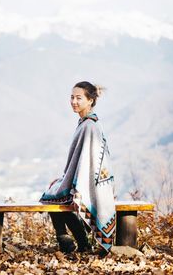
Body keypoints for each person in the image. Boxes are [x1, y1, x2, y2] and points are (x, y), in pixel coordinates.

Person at [40, 81, 115, 253]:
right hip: (86, 180)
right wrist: (64, 180)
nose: (74, 101)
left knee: (52, 198)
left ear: (90, 101)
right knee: (54, 193)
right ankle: (74, 241)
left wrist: (75, 187)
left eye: (78, 98)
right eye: (72, 97)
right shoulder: (86, 123)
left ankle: (70, 240)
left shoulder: (89, 125)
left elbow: (89, 163)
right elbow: (82, 161)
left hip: (90, 184)